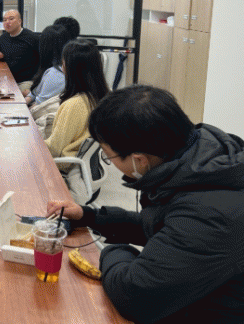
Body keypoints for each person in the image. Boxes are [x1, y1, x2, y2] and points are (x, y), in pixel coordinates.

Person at [46, 85, 244, 324]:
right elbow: (165, 225)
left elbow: (134, 295)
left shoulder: (211, 213)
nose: (110, 161)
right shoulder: (198, 157)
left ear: (139, 160)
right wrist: (89, 216)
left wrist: (112, 251)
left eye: (108, 155)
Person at [45, 40, 109, 160]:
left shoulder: (73, 105)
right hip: (90, 162)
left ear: (69, 68)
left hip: (67, 165)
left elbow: (54, 149)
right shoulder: (106, 96)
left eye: (63, 62)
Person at [0, 9, 40, 95]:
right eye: (4, 20)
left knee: (19, 97)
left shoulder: (32, 37)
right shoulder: (3, 38)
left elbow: (44, 59)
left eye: (11, 19)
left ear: (19, 21)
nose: (7, 22)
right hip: (7, 79)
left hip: (25, 80)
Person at [26, 24, 70, 107]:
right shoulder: (52, 68)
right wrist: (25, 101)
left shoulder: (55, 73)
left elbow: (40, 105)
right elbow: (35, 93)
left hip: (43, 111)